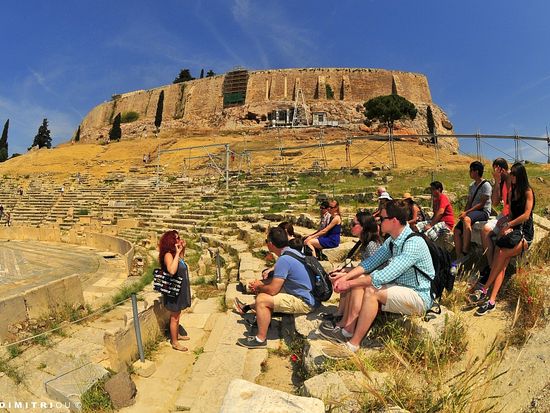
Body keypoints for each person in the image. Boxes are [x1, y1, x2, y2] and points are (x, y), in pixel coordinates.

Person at [320, 200, 434, 353]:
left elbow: (384, 275)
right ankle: (347, 331)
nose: (378, 222)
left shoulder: (413, 243)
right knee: (359, 282)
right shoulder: (393, 240)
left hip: (419, 295)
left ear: (393, 221)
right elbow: (369, 264)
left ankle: (353, 345)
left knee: (372, 290)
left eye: (382, 218)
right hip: (402, 287)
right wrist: (346, 278)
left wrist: (347, 284)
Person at [469, 162, 535, 316]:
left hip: (525, 232)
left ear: (519, 176)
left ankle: (484, 289)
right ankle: (491, 300)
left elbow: (526, 215)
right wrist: (506, 223)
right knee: (501, 257)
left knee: (501, 254)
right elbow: (510, 212)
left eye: (513, 175)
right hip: (514, 230)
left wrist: (509, 224)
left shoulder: (527, 191)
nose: (510, 177)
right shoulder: (512, 191)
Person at [236, 227, 317, 348]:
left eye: (266, 240)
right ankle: (262, 319)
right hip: (306, 293)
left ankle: (260, 339)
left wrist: (259, 286)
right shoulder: (290, 251)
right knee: (264, 289)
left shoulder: (283, 260)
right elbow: (277, 281)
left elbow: (273, 290)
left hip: (305, 301)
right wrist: (260, 284)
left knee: (262, 299)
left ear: (271, 244)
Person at [321, 211, 382, 337]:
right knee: (345, 274)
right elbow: (365, 265)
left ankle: (344, 322)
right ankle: (341, 314)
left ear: (363, 226)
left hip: (377, 280)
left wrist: (345, 273)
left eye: (353, 224)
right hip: (371, 276)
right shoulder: (366, 242)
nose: (350, 226)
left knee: (352, 280)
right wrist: (343, 271)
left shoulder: (371, 245)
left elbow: (371, 269)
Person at [477, 158, 512, 285]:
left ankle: (496, 271)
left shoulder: (512, 180)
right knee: (485, 230)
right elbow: (496, 202)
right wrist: (497, 182)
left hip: (512, 216)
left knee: (502, 236)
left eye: (495, 170)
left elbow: (515, 206)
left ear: (500, 168)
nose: (493, 172)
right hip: (504, 215)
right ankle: (491, 266)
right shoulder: (501, 182)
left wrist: (507, 219)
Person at [453, 161, 492, 266]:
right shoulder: (471, 186)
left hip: (483, 211)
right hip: (472, 211)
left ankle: (465, 251)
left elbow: (482, 204)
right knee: (456, 230)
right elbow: (469, 201)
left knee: (467, 220)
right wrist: (464, 212)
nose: (469, 172)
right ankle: (459, 256)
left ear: (476, 171)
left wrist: (467, 213)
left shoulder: (486, 185)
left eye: (471, 170)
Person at [158, 230, 192, 351]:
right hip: (173, 290)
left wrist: (182, 249)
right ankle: (175, 342)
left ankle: (176, 335)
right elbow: (172, 270)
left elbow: (181, 262)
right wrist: (177, 252)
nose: (179, 240)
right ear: (170, 241)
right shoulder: (168, 255)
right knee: (175, 316)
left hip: (179, 288)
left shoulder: (174, 253)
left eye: (179, 238)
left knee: (177, 314)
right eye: (176, 238)